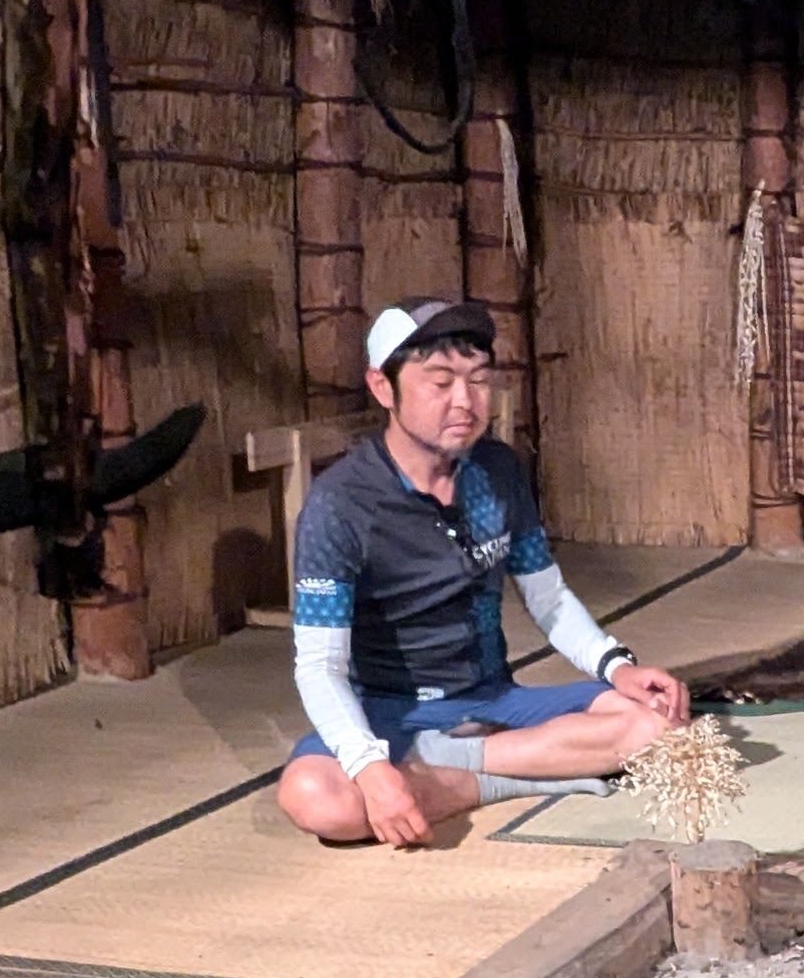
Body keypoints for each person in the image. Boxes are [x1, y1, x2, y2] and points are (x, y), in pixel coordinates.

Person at [278, 300, 690, 848]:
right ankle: (490, 775)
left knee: (660, 723)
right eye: (440, 382)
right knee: (314, 795)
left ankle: (453, 776)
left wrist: (615, 667)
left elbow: (549, 598)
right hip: (391, 712)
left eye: (478, 380)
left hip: (492, 702)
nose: (464, 402)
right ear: (382, 387)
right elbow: (320, 666)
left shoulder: (496, 469)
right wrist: (371, 768)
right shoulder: (340, 506)